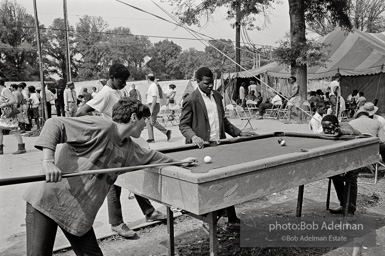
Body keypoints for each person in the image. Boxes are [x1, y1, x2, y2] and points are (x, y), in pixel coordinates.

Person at [23, 97, 196, 255]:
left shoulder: (130, 148)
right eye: (144, 119)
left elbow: (154, 158)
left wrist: (180, 162)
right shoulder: (101, 126)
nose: (146, 124)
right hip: (47, 201)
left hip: (77, 213)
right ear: (134, 117)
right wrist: (48, 162)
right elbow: (54, 123)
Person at [77, 64, 165, 238]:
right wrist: (99, 127)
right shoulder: (105, 93)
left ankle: (148, 211)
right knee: (114, 182)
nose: (124, 83)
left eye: (126, 81)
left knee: (135, 171)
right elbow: (81, 112)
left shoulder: (119, 92)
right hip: (112, 141)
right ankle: (116, 222)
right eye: (121, 80)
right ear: (111, 77)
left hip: (125, 138)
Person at [179, 66, 256, 231]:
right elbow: (183, 125)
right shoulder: (191, 99)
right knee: (209, 186)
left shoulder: (217, 96)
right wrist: (193, 137)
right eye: (206, 83)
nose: (210, 86)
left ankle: (231, 219)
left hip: (219, 145)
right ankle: (209, 220)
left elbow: (224, 122)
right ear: (198, 81)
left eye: (212, 83)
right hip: (201, 149)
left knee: (227, 179)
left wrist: (239, 132)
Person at [321, 114, 361, 216]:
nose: (325, 131)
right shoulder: (326, 132)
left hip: (356, 157)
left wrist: (339, 132)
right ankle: (344, 205)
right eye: (323, 128)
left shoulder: (346, 126)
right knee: (335, 177)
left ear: (336, 125)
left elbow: (351, 131)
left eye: (328, 128)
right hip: (342, 158)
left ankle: (350, 209)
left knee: (351, 180)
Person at [0, 77, 27, 154]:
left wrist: (4, 104)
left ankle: (21, 147)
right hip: (3, 113)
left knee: (14, 129)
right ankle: (0, 148)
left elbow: (13, 100)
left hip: (9, 113)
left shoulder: (5, 90)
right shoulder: (1, 91)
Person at [145, 73, 171, 143]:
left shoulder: (153, 86)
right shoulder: (153, 85)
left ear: (148, 79)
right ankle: (151, 138)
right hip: (152, 104)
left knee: (152, 122)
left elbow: (154, 98)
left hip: (153, 105)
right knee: (148, 122)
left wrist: (151, 109)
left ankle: (166, 132)